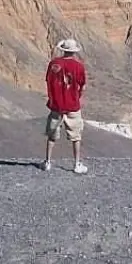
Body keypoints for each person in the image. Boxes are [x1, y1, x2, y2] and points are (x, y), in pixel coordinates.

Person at [42, 38, 88, 174]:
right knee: (76, 136)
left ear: (63, 50)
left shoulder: (53, 64)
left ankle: (48, 162)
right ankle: (77, 164)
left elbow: (48, 81)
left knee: (52, 135)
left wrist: (52, 98)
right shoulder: (78, 66)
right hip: (72, 105)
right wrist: (77, 97)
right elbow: (82, 85)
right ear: (74, 52)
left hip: (56, 105)